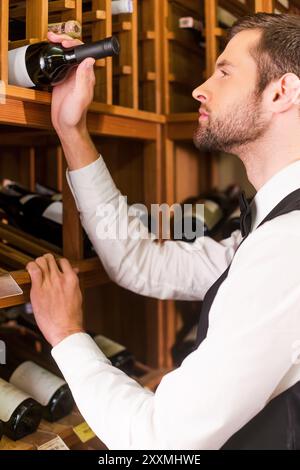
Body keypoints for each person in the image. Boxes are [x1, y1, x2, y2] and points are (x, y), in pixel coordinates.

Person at [26, 13, 300, 449]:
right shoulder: (275, 231)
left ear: (282, 91)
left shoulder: (288, 248)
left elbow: (158, 442)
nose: (200, 88)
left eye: (225, 71)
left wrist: (67, 335)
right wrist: (70, 128)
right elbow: (140, 260)